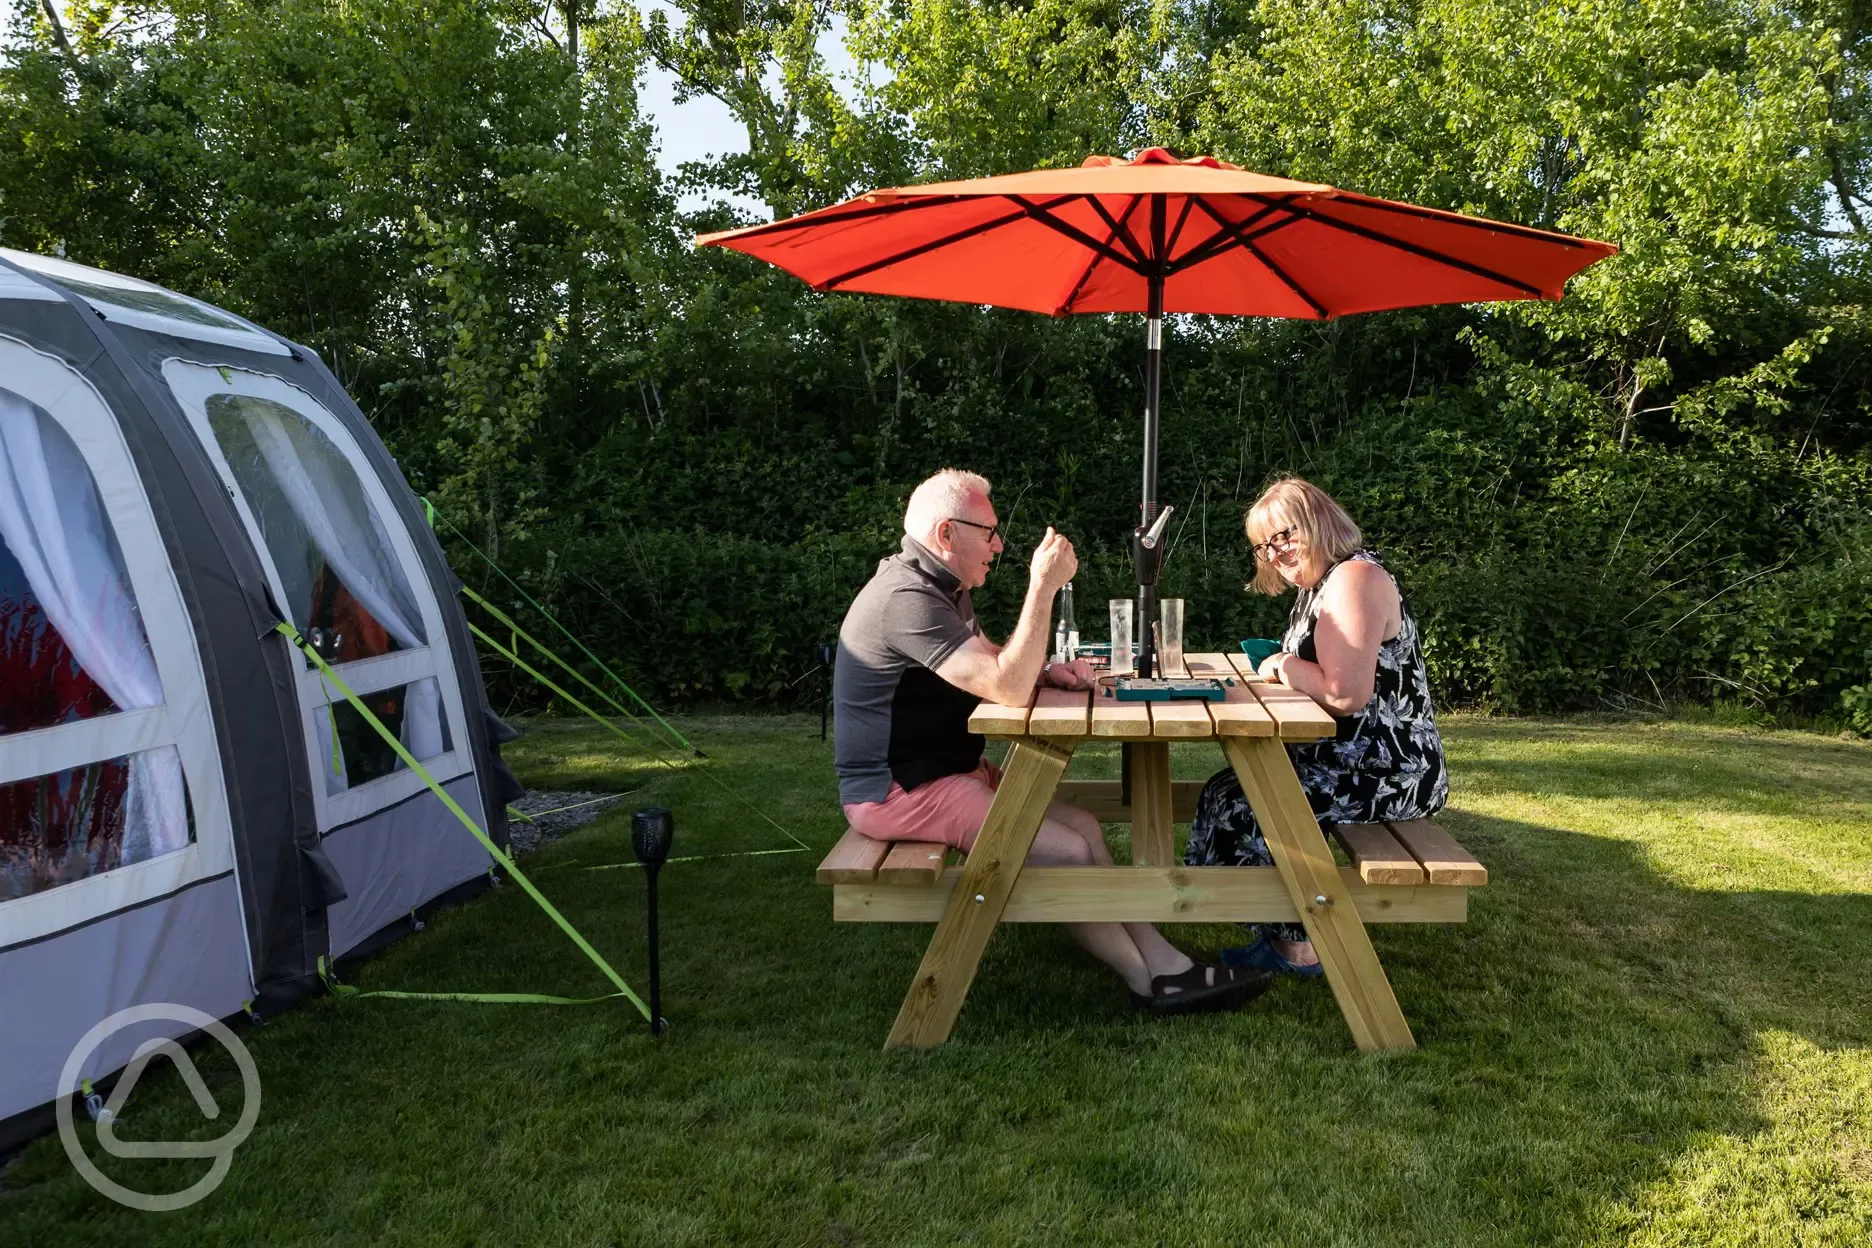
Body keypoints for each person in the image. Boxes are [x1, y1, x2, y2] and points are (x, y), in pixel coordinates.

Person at [834, 468, 1270, 1014]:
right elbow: (1004, 687)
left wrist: (1042, 672)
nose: (997, 545)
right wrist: (1042, 586)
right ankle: (1149, 983)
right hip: (901, 791)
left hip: (946, 772)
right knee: (1064, 852)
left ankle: (1166, 960)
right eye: (988, 531)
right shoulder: (907, 599)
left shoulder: (939, 586)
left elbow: (991, 665)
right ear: (946, 534)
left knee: (1084, 827)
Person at [1187, 476, 1449, 977]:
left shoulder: (1355, 580)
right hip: (1347, 758)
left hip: (1390, 770)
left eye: (1283, 536)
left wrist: (1283, 665)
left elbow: (1346, 695)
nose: (1275, 553)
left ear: (1318, 522)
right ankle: (1276, 929)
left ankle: (1301, 947)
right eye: (1264, 546)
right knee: (1227, 791)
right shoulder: (1323, 583)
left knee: (1251, 805)